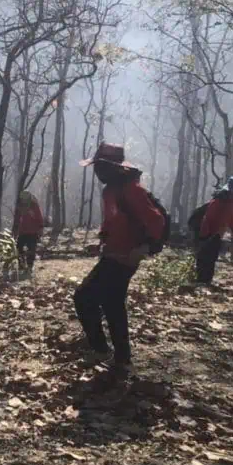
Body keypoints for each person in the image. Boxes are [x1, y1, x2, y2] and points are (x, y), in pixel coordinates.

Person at [73, 143, 166, 381]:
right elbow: (112, 221)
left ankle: (103, 351)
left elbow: (156, 222)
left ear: (115, 168)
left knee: (85, 297)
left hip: (125, 258)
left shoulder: (132, 190)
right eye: (96, 166)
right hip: (112, 253)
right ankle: (120, 358)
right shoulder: (110, 191)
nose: (98, 171)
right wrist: (102, 241)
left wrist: (143, 249)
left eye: (102, 166)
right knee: (110, 303)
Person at [196, 176, 233, 285]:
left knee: (212, 257)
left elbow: (230, 216)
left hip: (217, 234)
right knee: (206, 258)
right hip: (208, 234)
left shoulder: (232, 201)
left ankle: (206, 281)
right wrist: (205, 236)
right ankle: (202, 281)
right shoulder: (218, 201)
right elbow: (207, 218)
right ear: (230, 190)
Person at [13, 190, 43, 274]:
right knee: (19, 247)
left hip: (33, 232)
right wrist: (15, 229)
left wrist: (40, 228)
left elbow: (39, 218)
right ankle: (21, 264)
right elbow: (17, 219)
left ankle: (30, 266)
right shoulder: (19, 206)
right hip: (22, 231)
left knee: (31, 249)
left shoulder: (34, 206)